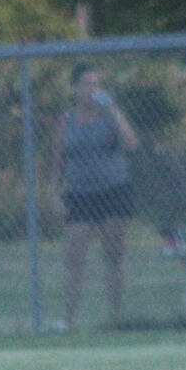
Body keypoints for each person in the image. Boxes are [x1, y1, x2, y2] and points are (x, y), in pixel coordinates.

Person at [51, 64, 140, 331]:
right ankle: (68, 320)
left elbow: (130, 144)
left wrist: (113, 110)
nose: (92, 90)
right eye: (87, 84)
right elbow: (58, 160)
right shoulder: (65, 121)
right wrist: (55, 193)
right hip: (80, 194)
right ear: (75, 88)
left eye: (96, 84)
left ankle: (116, 317)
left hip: (113, 190)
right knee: (74, 256)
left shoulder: (110, 115)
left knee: (113, 254)